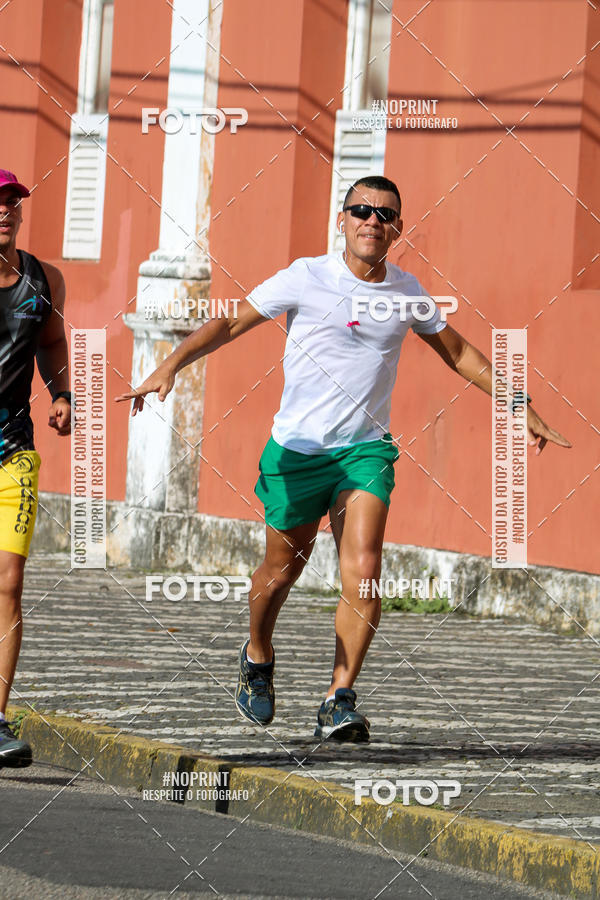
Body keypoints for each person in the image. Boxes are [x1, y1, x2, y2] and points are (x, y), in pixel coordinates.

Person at [117, 175, 570, 743]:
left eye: (385, 214)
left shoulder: (406, 292)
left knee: (365, 568)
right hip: (297, 452)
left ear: (397, 228)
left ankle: (339, 697)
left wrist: (518, 402)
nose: (372, 221)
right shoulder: (306, 277)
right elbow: (230, 323)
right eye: (361, 210)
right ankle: (257, 654)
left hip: (365, 452)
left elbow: (456, 352)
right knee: (280, 571)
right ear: (342, 220)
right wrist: (170, 364)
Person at [0, 169, 71, 766]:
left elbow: (50, 343)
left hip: (13, 452)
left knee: (8, 583)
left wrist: (61, 392)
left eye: (12, 203)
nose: (4, 211)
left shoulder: (43, 280)